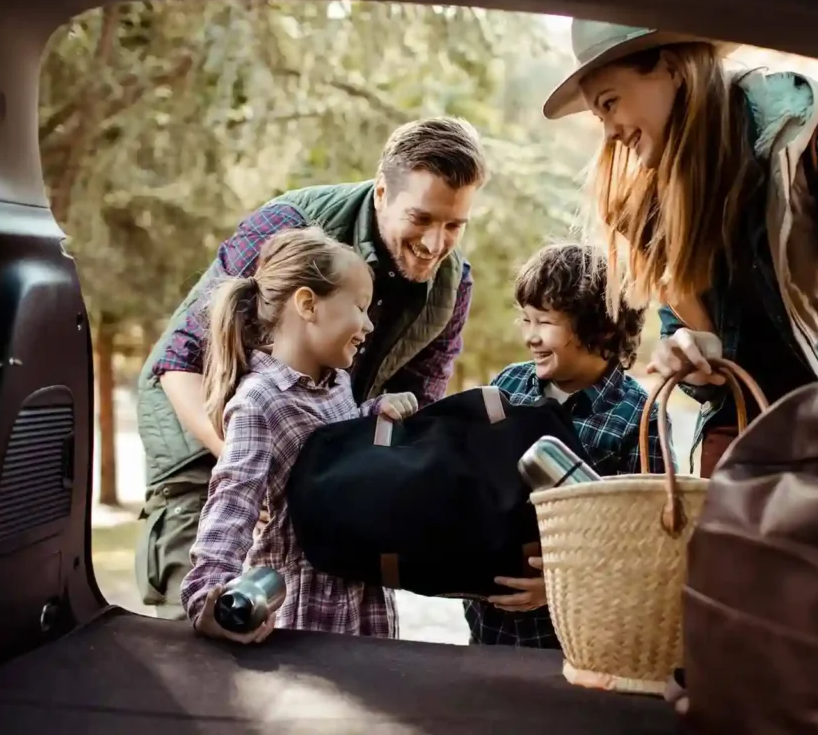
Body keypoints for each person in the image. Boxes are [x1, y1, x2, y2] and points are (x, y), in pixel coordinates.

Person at [543, 20, 818, 476]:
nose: (610, 132)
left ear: (671, 68)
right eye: (600, 117)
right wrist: (688, 351)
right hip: (744, 430)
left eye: (610, 103)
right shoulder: (652, 202)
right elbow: (692, 333)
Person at [136, 117, 485, 619]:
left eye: (454, 225)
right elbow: (178, 361)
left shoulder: (452, 287)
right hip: (206, 443)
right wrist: (257, 474)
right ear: (382, 192)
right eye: (422, 218)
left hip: (315, 461)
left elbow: (414, 413)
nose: (435, 243)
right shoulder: (289, 223)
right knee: (207, 635)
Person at [182, 227, 420, 642]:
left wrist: (373, 413)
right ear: (308, 304)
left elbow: (336, 451)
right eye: (360, 307)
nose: (367, 324)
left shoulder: (337, 384)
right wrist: (208, 598)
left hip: (361, 598)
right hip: (306, 609)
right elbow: (232, 504)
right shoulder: (260, 401)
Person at [465, 242, 672, 649]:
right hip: (488, 630)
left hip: (573, 638)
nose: (530, 336)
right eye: (525, 319)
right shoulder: (508, 386)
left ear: (602, 327)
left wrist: (554, 589)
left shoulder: (639, 417)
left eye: (544, 322)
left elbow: (645, 546)